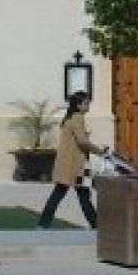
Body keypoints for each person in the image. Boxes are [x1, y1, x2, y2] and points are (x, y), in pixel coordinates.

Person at [37, 94, 106, 229]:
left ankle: (43, 224)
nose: (88, 106)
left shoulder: (69, 118)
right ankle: (96, 225)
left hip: (68, 165)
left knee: (62, 194)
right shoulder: (78, 118)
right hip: (76, 166)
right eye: (86, 103)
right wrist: (99, 151)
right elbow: (82, 141)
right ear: (78, 105)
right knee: (83, 195)